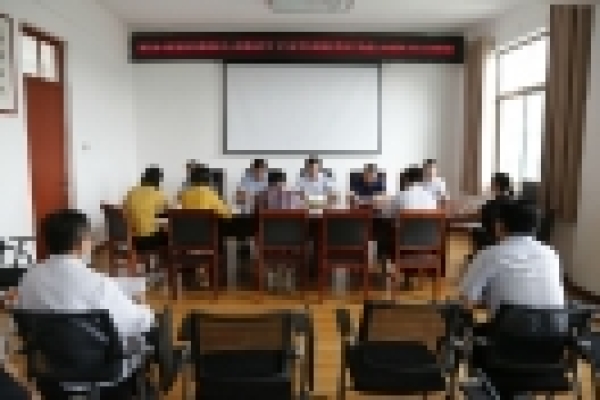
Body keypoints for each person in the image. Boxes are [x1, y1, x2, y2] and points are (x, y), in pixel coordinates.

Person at [17, 209, 156, 399]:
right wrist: (142, 305)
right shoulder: (98, 284)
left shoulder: (29, 279)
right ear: (80, 243)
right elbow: (140, 323)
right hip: (101, 372)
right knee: (152, 331)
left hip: (51, 371)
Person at [123, 166, 168, 252]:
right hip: (149, 240)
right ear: (158, 180)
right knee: (170, 234)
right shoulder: (158, 194)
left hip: (132, 238)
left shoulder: (131, 192)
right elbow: (165, 211)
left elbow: (125, 210)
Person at [472, 172, 515, 252]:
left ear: (496, 186)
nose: (490, 186)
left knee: (476, 231)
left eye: (492, 184)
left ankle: (480, 256)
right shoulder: (514, 203)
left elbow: (477, 216)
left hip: (493, 241)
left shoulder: (492, 204)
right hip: (512, 242)